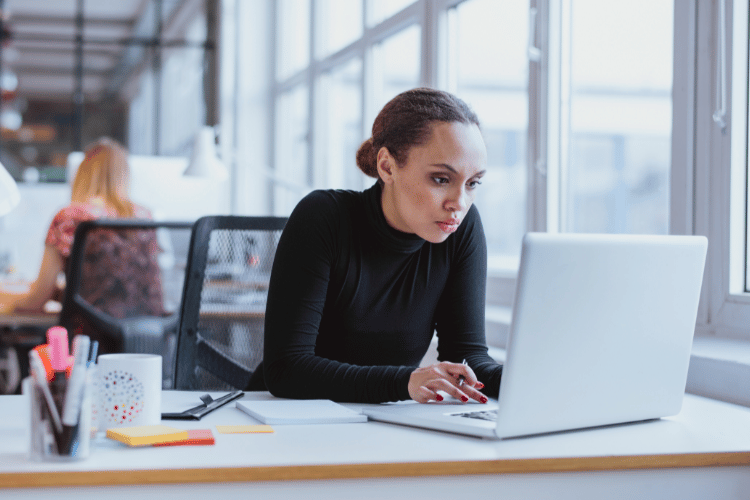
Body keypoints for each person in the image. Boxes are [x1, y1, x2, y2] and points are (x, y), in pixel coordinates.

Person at [257, 88, 503, 404]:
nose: (460, 203)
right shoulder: (323, 218)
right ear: (387, 166)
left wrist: (532, 380)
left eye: (473, 183)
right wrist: (404, 383)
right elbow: (285, 370)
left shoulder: (461, 229)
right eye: (441, 179)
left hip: (383, 423)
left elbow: (467, 358)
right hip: (287, 422)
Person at [0, 137, 161, 320]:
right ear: (125, 176)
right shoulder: (144, 217)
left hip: (89, 337)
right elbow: (121, 290)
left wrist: (9, 305)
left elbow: (38, 299)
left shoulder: (70, 218)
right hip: (149, 335)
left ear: (83, 174)